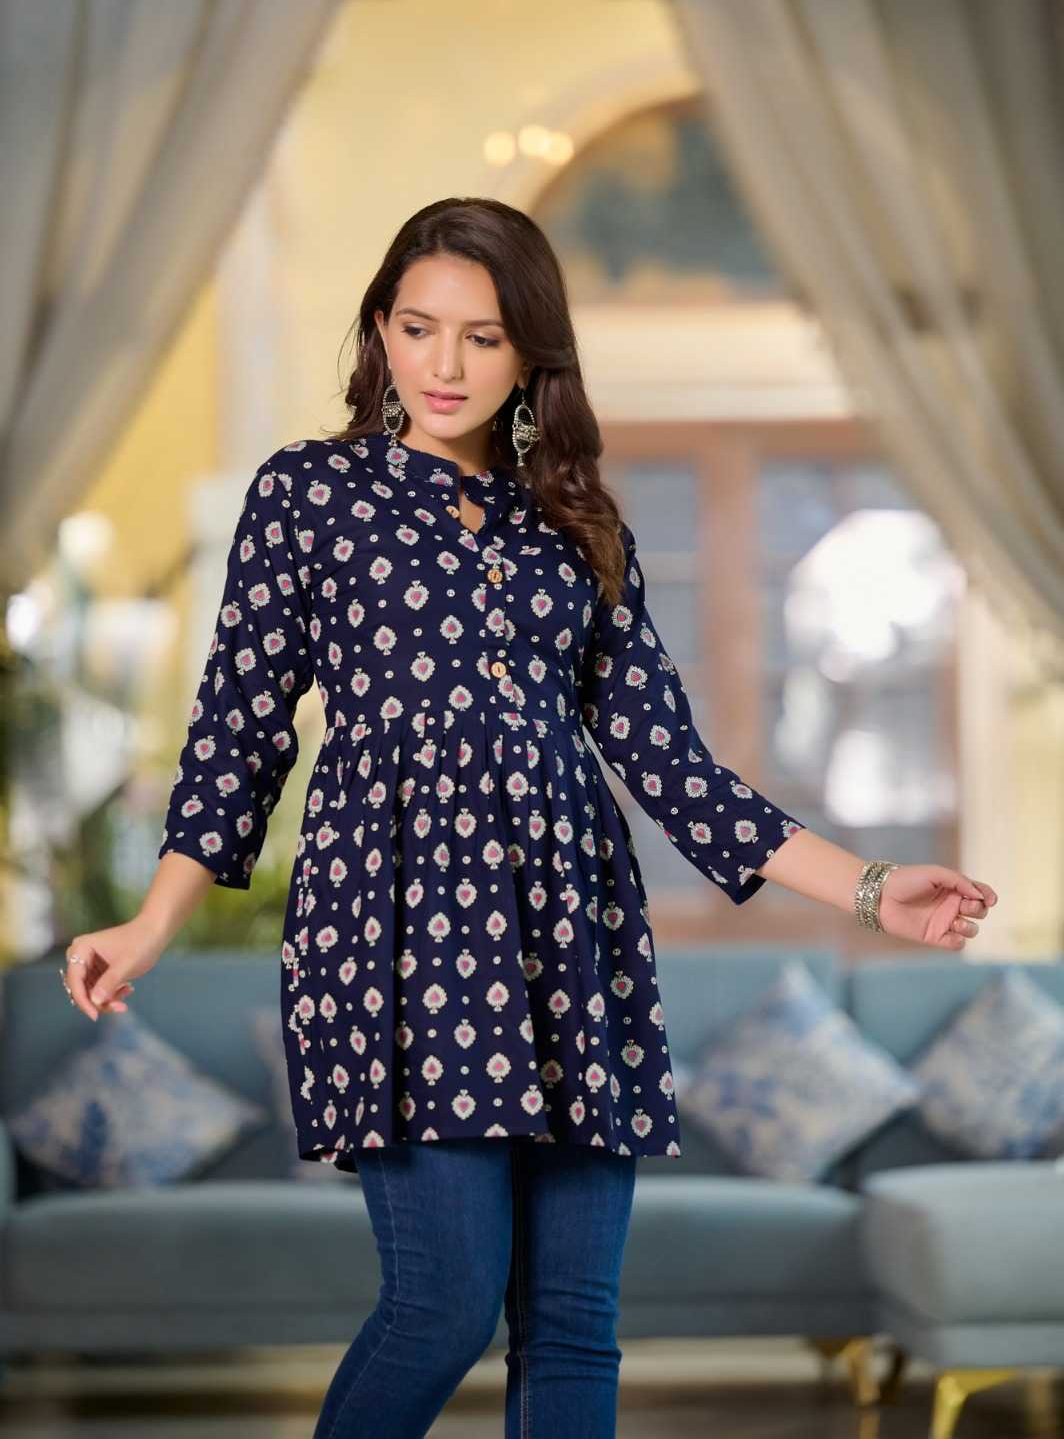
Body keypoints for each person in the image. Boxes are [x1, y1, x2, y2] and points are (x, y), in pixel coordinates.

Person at [59, 197, 998, 1438]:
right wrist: (151, 923)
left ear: (530, 355)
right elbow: (237, 729)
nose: (443, 364)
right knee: (440, 1307)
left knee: (571, 1326)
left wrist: (872, 889)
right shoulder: (310, 493)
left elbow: (672, 765)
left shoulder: (576, 521)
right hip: (396, 937)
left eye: (482, 337)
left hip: (569, 939)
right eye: (416, 327)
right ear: (379, 331)